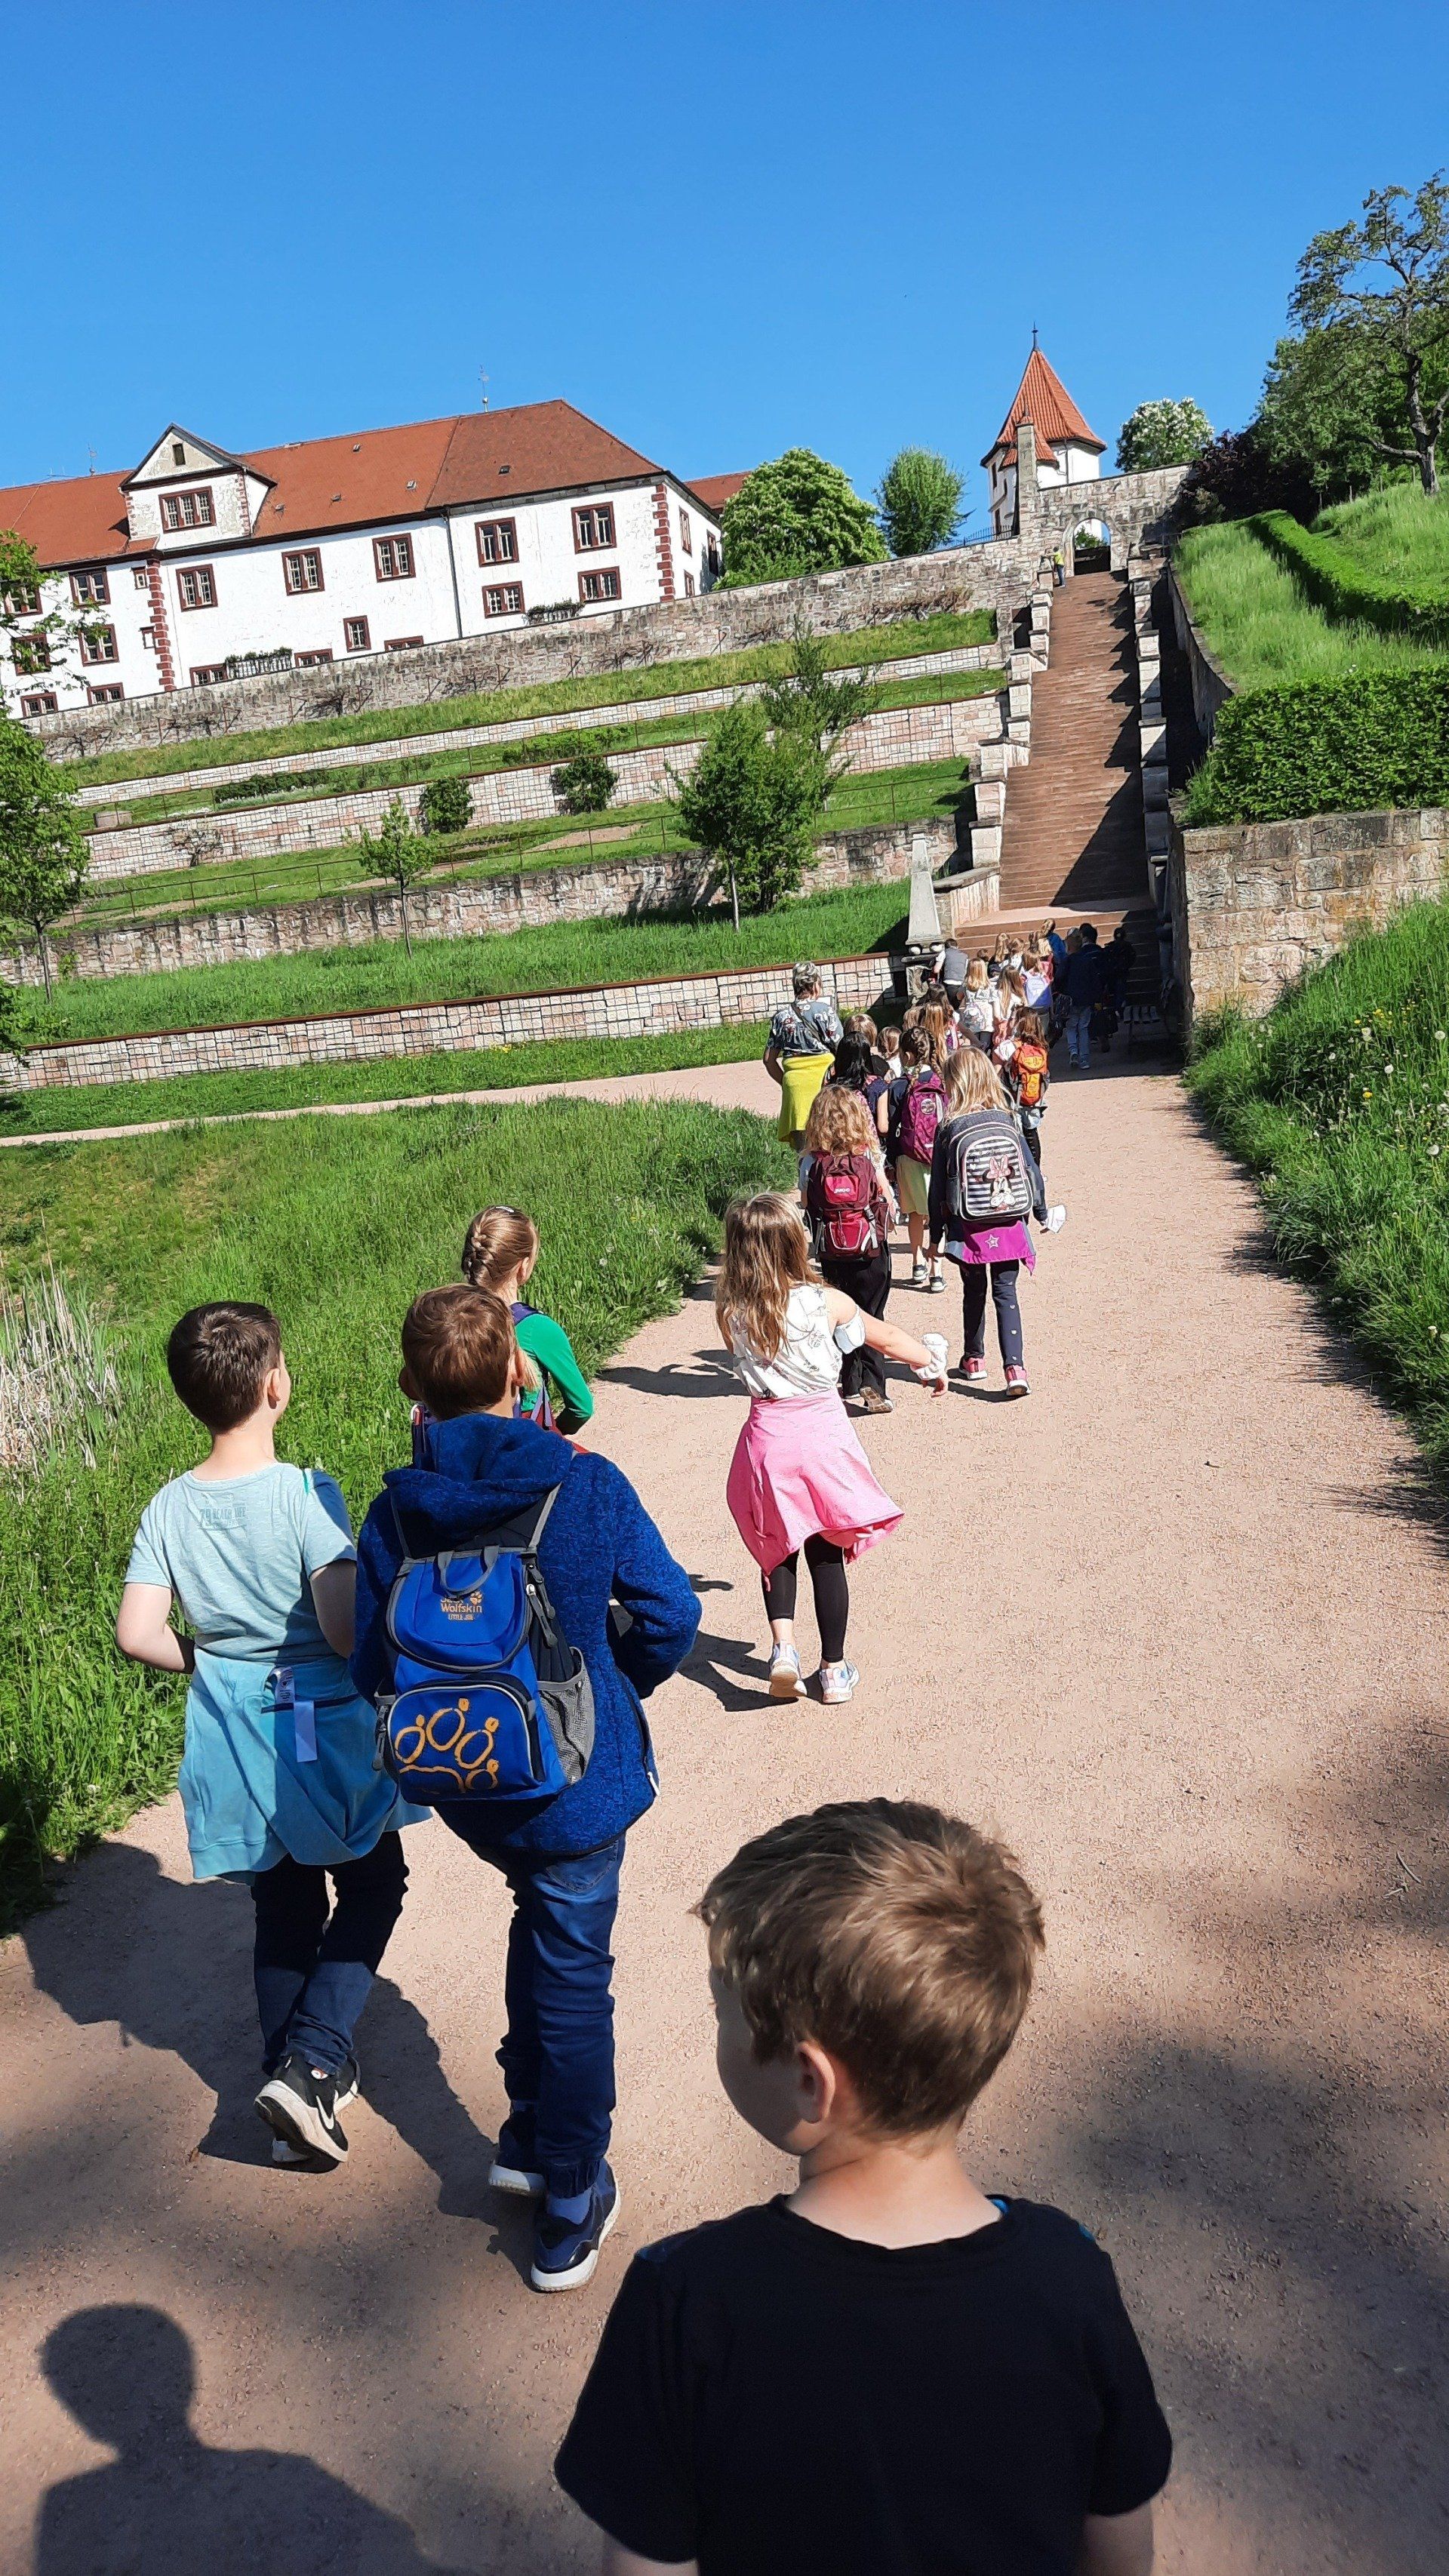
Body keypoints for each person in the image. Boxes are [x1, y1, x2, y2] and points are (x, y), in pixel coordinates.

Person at [555, 1797, 1173, 2576]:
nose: (717, 2027)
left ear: (810, 2080)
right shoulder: (1071, 2273)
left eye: (722, 2010)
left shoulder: (684, 2297)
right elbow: (1120, 2555)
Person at [351, 1285, 700, 2292]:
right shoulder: (585, 1484)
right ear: (520, 1370)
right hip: (575, 1783)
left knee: (538, 1917)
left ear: (411, 1387)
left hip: (467, 1777)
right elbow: (671, 1614)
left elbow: (374, 1665)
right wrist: (612, 1685)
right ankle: (570, 2194)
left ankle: (526, 2128)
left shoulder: (395, 1513)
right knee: (575, 1971)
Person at [115, 1303, 426, 2168]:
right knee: (373, 1882)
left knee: (283, 1905)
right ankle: (315, 2058)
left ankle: (290, 2093)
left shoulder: (169, 1507)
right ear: (275, 1384)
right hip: (317, 1731)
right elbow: (338, 1626)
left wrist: (212, 1659)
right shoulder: (303, 1494)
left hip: (232, 1733)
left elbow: (137, 1632)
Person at [715, 1195, 946, 1707]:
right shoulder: (826, 1302)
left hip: (768, 1441)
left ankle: (783, 1650)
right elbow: (883, 1338)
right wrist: (928, 1362)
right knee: (826, 1551)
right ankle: (834, 1670)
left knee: (777, 1546)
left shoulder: (732, 1313)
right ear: (794, 1244)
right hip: (821, 1435)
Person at [929, 1046, 1059, 1399]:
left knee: (973, 1290)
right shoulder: (1008, 1120)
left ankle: (974, 1359)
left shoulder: (949, 1128)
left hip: (968, 1225)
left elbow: (938, 1187)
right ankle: (1015, 1369)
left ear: (955, 1084)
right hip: (1009, 1221)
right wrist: (1042, 1212)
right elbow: (1031, 1172)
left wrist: (935, 1235)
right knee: (1006, 1292)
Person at [800, 1084, 897, 1417]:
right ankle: (874, 1385)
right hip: (869, 1250)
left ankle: (848, 1380)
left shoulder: (811, 1161)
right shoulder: (867, 1155)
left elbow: (806, 1205)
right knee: (871, 1314)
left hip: (831, 1249)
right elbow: (887, 1201)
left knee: (840, 1315)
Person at [459, 1205, 593, 1436]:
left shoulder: (453, 1323)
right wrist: (554, 1434)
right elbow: (581, 1408)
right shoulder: (536, 1329)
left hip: (465, 1449)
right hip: (526, 1449)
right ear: (523, 1267)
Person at [881, 1026, 948, 1293]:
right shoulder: (942, 1083)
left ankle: (917, 1262)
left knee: (915, 1214)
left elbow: (892, 1129)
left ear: (907, 1055)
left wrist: (891, 1161)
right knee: (938, 1214)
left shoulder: (899, 1086)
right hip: (939, 1158)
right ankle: (937, 1271)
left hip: (908, 1158)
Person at [764, 963, 843, 1149]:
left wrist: (786, 1082)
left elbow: (768, 1059)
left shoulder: (781, 1017)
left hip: (795, 1086)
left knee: (804, 1152)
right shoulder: (825, 1012)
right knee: (830, 1147)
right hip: (825, 1083)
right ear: (815, 985)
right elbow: (843, 1049)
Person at [1008, 1007, 1051, 1173]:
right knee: (1032, 1133)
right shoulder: (1042, 1048)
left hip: (1015, 1098)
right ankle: (1036, 1171)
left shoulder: (1011, 1047)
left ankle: (1020, 1170)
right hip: (1034, 1097)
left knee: (1017, 1135)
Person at [1063, 923, 1107, 1072]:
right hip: (1086, 999)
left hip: (1071, 999)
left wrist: (1062, 991)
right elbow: (1095, 981)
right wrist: (1097, 998)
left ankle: (1073, 1051)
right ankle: (1084, 1059)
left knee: (1071, 1027)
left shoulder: (1067, 961)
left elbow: (1059, 978)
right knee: (1083, 1028)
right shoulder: (1087, 960)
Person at [955, 956, 997, 1055]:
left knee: (974, 1043)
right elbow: (993, 1001)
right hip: (986, 1016)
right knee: (985, 1044)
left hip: (971, 1016)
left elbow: (958, 997)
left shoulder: (966, 985)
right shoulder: (990, 985)